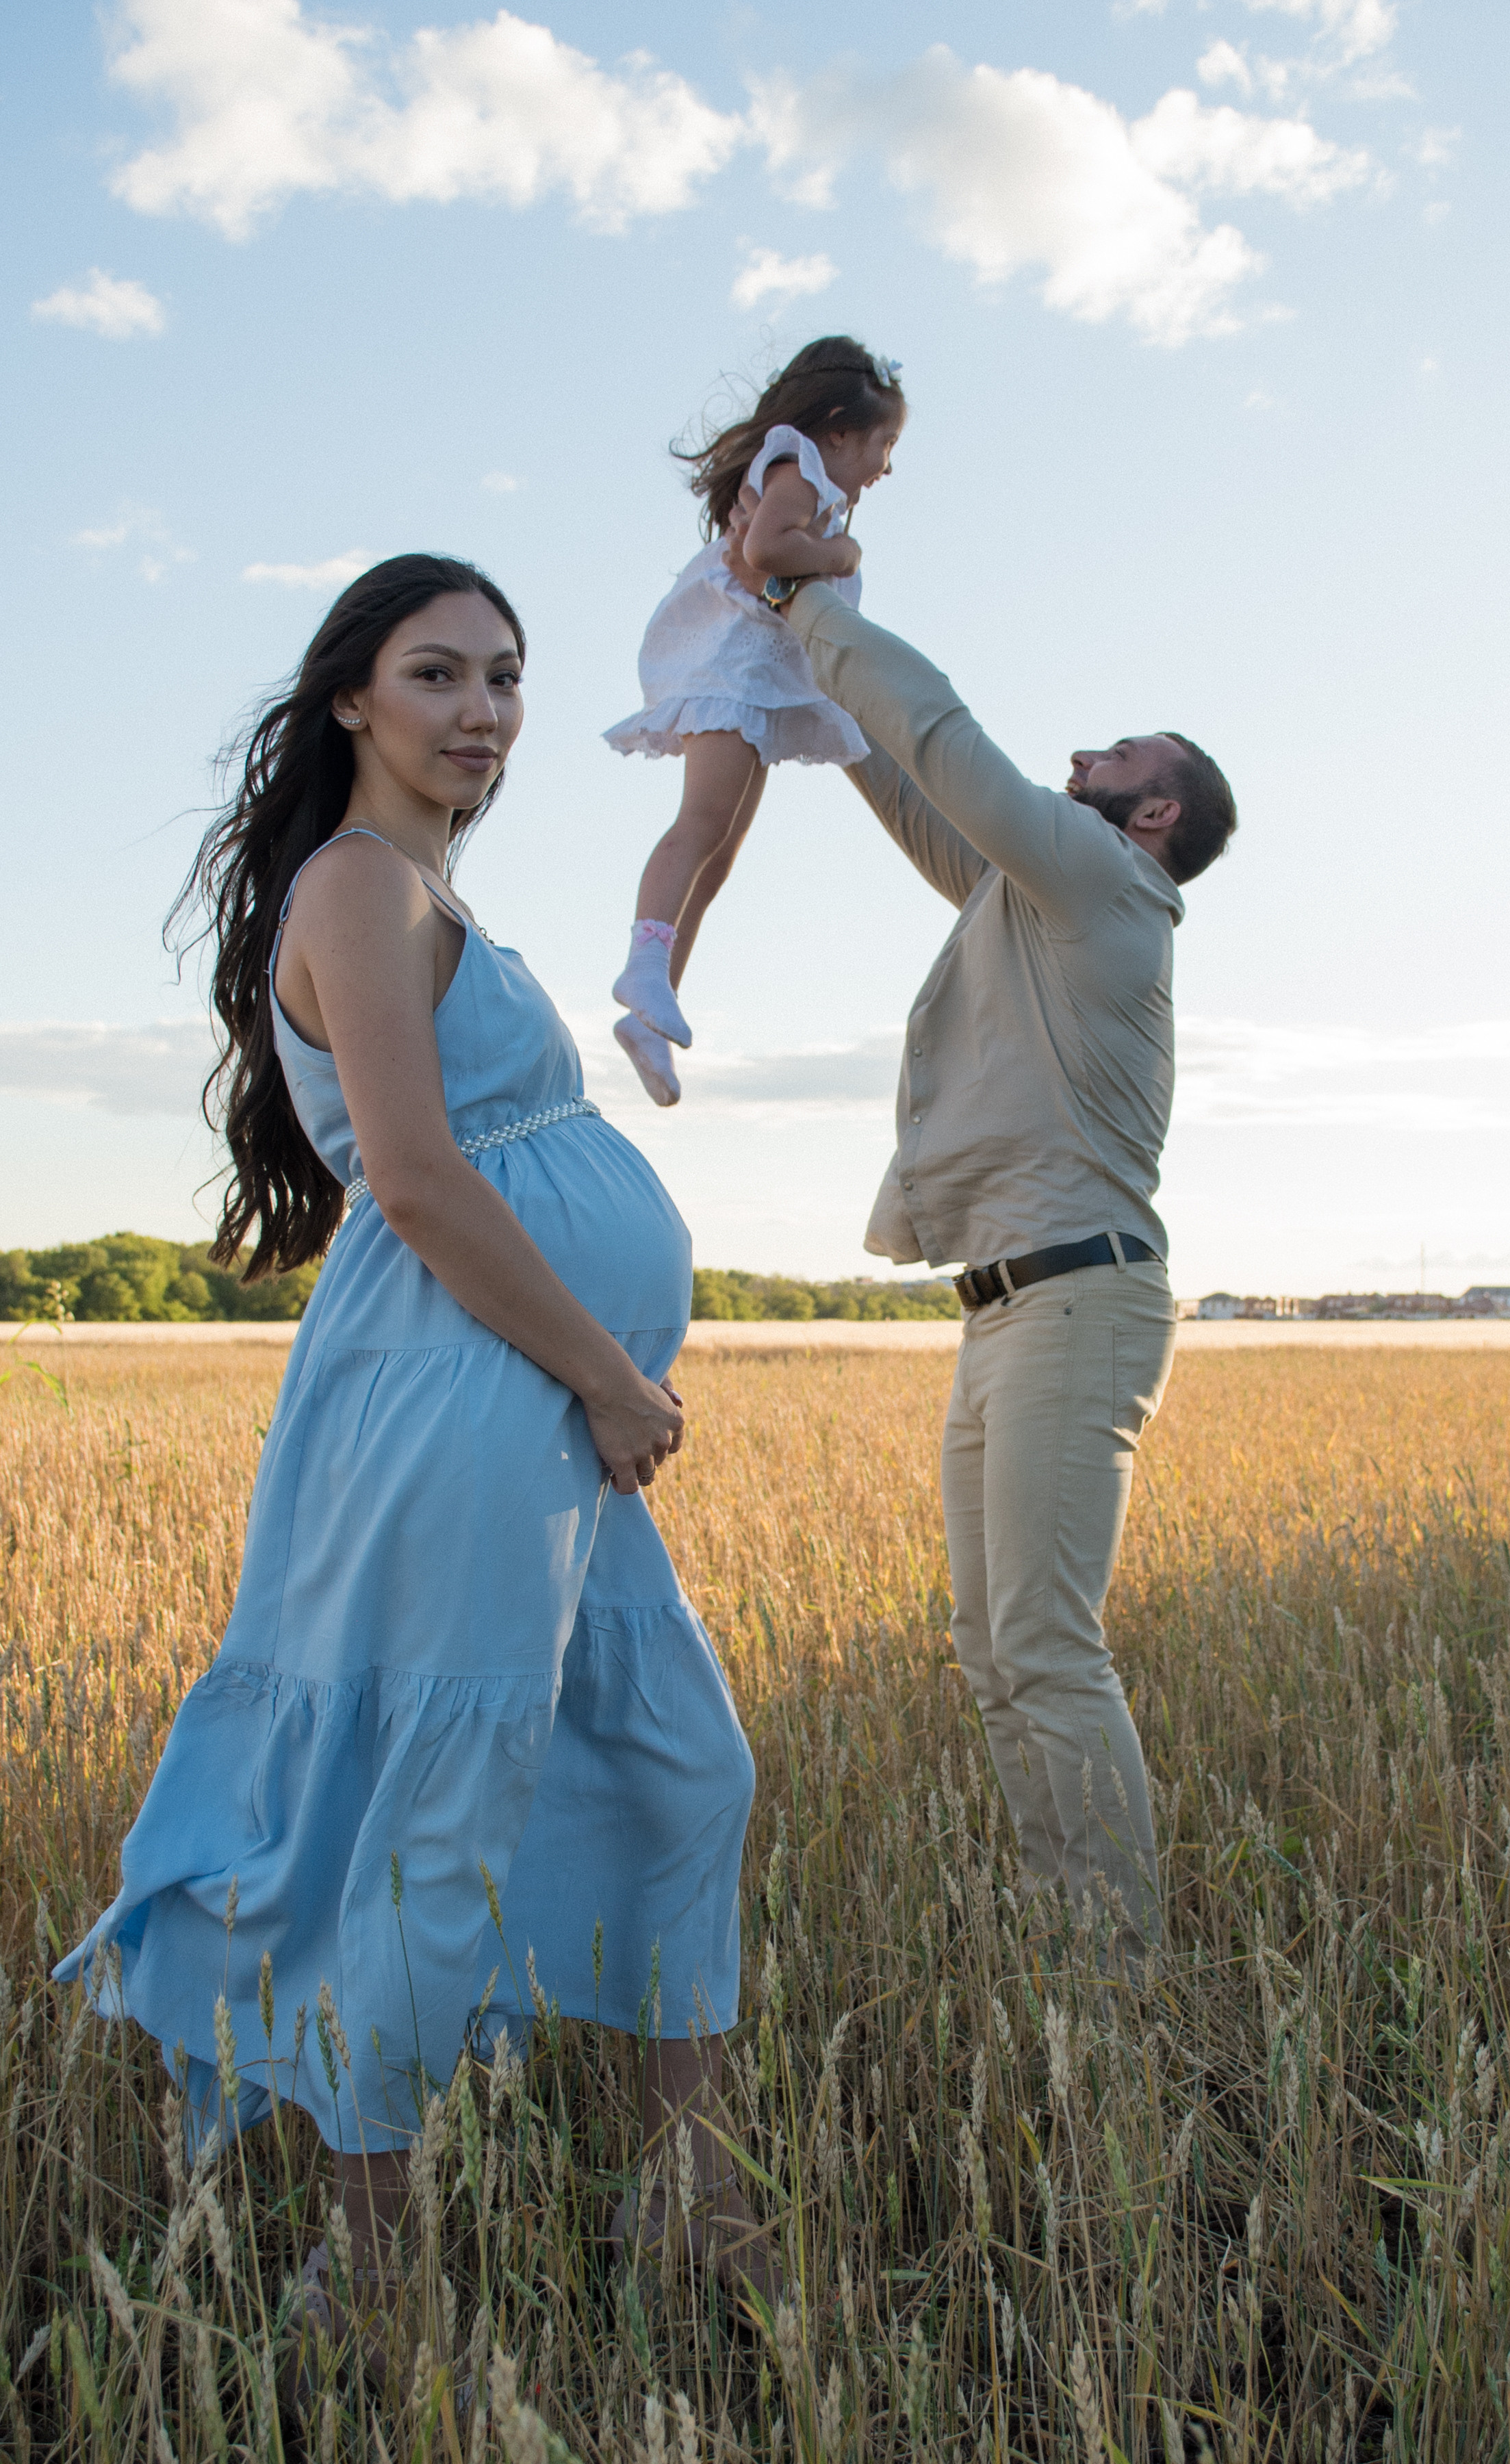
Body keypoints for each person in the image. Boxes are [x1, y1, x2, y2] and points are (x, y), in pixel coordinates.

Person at [56, 555, 766, 2368]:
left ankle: (694, 2181)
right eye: (437, 673)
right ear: (351, 702)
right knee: (430, 1826)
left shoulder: (430, 887)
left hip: (519, 1395)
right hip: (474, 1390)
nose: (481, 710)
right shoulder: (360, 883)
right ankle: (366, 2266)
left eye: (508, 679)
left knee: (685, 1762)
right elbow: (426, 1181)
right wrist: (611, 1375)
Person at [726, 519, 1237, 1968]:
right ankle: (1065, 1939)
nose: (1086, 756)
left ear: (1152, 820)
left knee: (1049, 1648)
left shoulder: (1108, 889)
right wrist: (819, 698)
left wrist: (807, 596)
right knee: (993, 1650)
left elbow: (952, 746)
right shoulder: (1033, 897)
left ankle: (1121, 1974)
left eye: (1121, 756)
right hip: (1006, 1307)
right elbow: (922, 792)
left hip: (1082, 1299)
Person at [604, 337, 906, 1105]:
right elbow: (768, 551)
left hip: (755, 679)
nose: (886, 467)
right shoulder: (798, 464)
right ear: (839, 429)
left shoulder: (804, 476)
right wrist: (839, 555)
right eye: (884, 444)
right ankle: (642, 963)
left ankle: (653, 1003)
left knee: (722, 852)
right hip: (733, 671)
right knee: (699, 826)